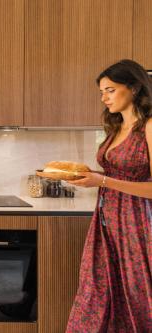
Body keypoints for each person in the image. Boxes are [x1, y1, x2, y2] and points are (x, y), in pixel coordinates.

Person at [65, 59, 152, 332]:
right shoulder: (116, 128)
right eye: (101, 92)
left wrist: (102, 180)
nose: (104, 98)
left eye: (110, 90)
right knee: (95, 293)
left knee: (137, 297)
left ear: (135, 88)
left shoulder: (149, 126)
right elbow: (114, 174)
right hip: (106, 224)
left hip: (138, 226)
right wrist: (88, 175)